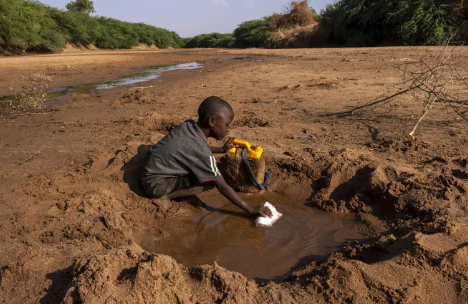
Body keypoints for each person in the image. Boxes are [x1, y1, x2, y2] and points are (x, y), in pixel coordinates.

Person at [141, 96, 272, 218]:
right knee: (211, 181)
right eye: (226, 125)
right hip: (156, 185)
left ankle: (181, 193)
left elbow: (192, 150)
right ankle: (167, 196)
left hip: (150, 171)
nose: (228, 129)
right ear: (212, 121)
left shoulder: (188, 125)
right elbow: (222, 186)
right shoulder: (201, 151)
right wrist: (251, 209)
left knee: (203, 170)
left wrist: (220, 150)